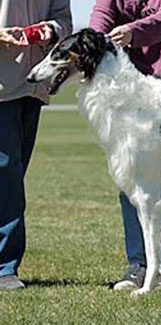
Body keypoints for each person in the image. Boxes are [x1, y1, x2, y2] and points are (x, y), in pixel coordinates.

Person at [89, 0, 161, 290]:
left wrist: (131, 32)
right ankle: (138, 265)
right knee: (133, 183)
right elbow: (101, 18)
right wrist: (94, 39)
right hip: (131, 90)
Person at [0, 0, 72, 290]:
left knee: (13, 176)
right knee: (5, 174)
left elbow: (64, 21)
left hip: (34, 86)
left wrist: (50, 31)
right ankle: (4, 268)